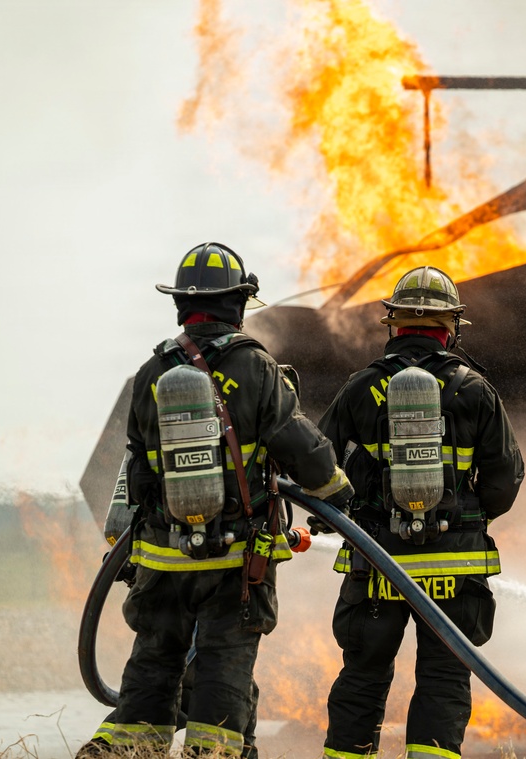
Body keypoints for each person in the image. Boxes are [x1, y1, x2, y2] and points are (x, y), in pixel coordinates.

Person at [78, 242, 352, 758]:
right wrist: (339, 496)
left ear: (182, 304)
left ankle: (124, 749)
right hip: (233, 559)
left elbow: (135, 466)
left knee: (154, 660)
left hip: (160, 553)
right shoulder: (254, 367)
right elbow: (298, 446)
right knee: (223, 664)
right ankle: (215, 752)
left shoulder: (152, 373)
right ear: (238, 302)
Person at [319, 265, 524, 759]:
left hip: (376, 563)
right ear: (450, 327)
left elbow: (317, 466)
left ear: (393, 324)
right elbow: (505, 480)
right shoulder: (475, 390)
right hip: (454, 567)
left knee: (364, 675)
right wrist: (469, 519)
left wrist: (347, 516)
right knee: (444, 676)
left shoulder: (359, 388)